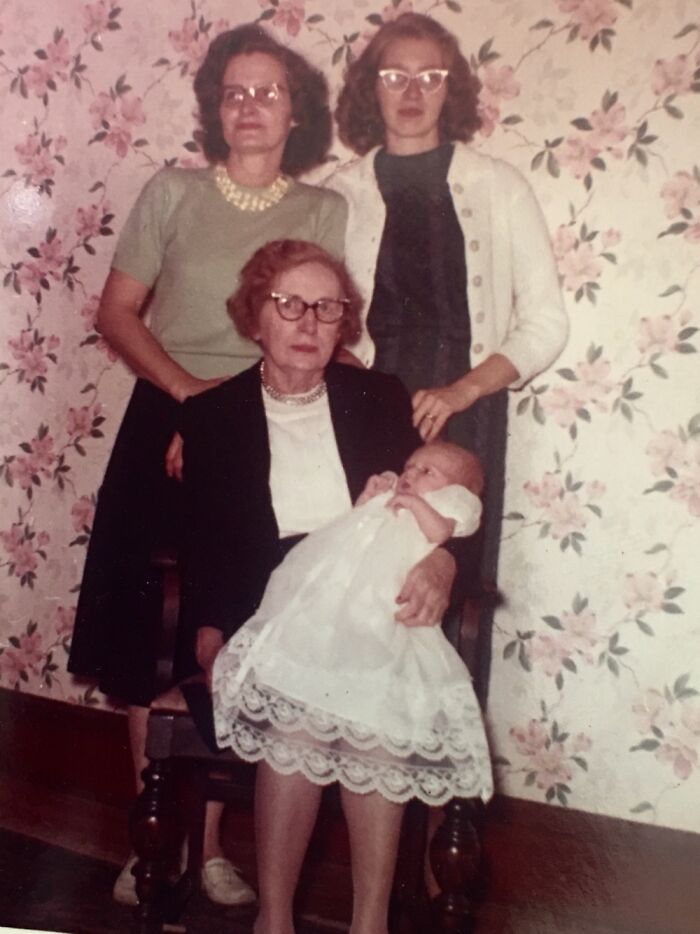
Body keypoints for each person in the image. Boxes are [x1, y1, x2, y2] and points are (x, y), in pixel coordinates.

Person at [66, 23, 347, 907]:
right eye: (235, 92)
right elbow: (118, 314)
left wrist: (244, 420)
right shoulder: (173, 192)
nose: (251, 106)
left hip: (277, 421)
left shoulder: (325, 211)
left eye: (270, 92)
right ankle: (155, 833)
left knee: (244, 619)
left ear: (296, 113)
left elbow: (327, 330)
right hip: (171, 409)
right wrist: (197, 404)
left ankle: (217, 844)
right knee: (152, 626)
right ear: (214, 109)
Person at [179, 239, 460, 934]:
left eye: (326, 308)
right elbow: (205, 547)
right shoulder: (214, 418)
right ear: (255, 320)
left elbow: (445, 502)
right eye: (289, 305)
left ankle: (370, 924)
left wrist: (441, 564)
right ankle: (274, 921)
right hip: (270, 613)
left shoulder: (377, 396)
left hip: (369, 602)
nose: (308, 323)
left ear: (343, 324)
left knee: (375, 723)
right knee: (299, 715)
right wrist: (211, 631)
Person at [326, 12, 569, 697]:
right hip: (368, 402)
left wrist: (462, 392)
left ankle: (439, 790)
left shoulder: (497, 184)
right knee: (361, 574)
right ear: (370, 89)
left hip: (466, 408)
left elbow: (546, 321)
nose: (411, 91)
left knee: (445, 584)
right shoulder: (339, 192)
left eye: (429, 76)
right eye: (394, 75)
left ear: (451, 88)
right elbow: (323, 320)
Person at [212, 439, 493, 813]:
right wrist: (368, 500)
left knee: (376, 709)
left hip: (383, 620)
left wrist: (413, 504)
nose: (410, 474)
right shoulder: (391, 497)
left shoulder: (448, 505)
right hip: (333, 610)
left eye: (428, 472)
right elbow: (344, 531)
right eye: (410, 465)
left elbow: (443, 532)